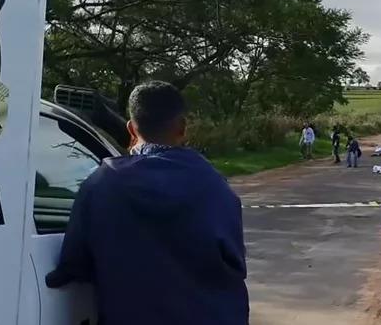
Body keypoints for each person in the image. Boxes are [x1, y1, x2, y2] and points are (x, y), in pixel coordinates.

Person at [45, 81, 249, 325]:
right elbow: (235, 263)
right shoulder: (215, 187)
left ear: (131, 129)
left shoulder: (101, 184)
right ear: (182, 128)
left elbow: (73, 264)